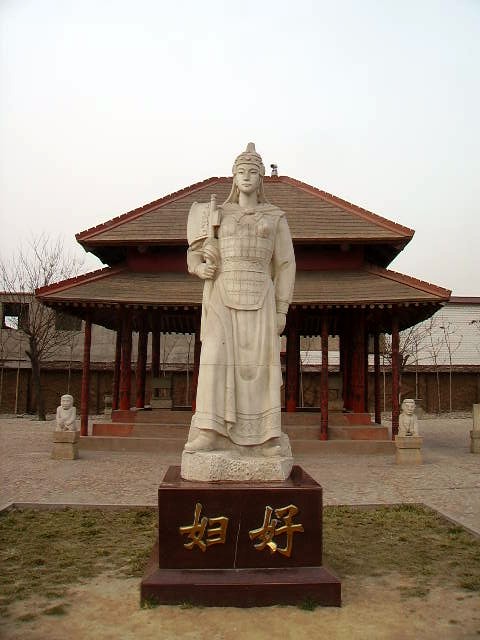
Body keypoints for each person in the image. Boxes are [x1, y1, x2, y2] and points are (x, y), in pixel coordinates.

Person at [184, 143, 295, 457]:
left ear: (261, 178)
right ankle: (209, 429)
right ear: (233, 177)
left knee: (260, 367)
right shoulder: (217, 213)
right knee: (214, 361)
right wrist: (200, 266)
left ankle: (267, 434)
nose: (246, 177)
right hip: (222, 291)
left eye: (253, 172)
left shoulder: (275, 217)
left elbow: (286, 264)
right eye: (241, 172)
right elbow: (195, 252)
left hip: (261, 294)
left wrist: (282, 309)